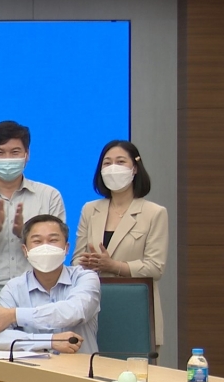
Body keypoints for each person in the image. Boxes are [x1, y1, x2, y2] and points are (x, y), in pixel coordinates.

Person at [72, 140, 168, 346]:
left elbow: (155, 267)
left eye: (120, 161)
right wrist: (86, 263)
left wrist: (114, 266)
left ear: (135, 168)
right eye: (107, 163)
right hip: (92, 307)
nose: (113, 168)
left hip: (135, 309)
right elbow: (76, 260)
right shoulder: (90, 209)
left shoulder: (154, 213)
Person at [0, 121, 66, 294]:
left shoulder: (49, 196)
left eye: (15, 152)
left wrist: (25, 234)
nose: (7, 158)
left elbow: (57, 251)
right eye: (0, 152)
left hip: (38, 292)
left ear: (27, 155)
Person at [0, 215, 98, 354]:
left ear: (66, 248)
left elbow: (74, 312)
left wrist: (15, 315)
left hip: (83, 366)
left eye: (53, 240)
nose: (45, 247)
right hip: (34, 367)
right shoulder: (13, 289)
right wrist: (49, 341)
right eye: (37, 241)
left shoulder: (85, 278)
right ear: (25, 250)